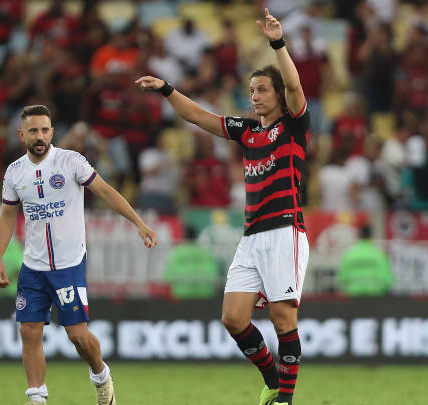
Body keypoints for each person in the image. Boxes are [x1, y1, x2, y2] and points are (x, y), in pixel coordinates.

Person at [136, 10, 309, 405]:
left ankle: (285, 400)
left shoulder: (294, 124)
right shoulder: (247, 132)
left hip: (285, 229)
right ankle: (272, 378)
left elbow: (296, 86)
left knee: (283, 319)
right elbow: (197, 115)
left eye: (262, 90)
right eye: (251, 90)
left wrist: (278, 43)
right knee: (233, 318)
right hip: (251, 236)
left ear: (279, 95)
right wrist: (166, 88)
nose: (254, 96)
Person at [0, 105, 157, 405]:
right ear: (22, 135)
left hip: (69, 264)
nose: (39, 136)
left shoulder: (71, 162)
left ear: (52, 132)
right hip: (33, 266)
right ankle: (37, 397)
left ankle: (100, 375)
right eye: (33, 131)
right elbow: (6, 216)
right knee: (29, 331)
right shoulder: (14, 173)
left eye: (44, 130)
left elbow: (106, 192)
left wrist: (138, 222)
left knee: (77, 336)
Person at [337, 225, 394, 296]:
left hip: (353, 297)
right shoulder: (379, 255)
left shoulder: (349, 255)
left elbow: (342, 278)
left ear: (358, 235)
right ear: (371, 235)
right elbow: (387, 280)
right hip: (375, 297)